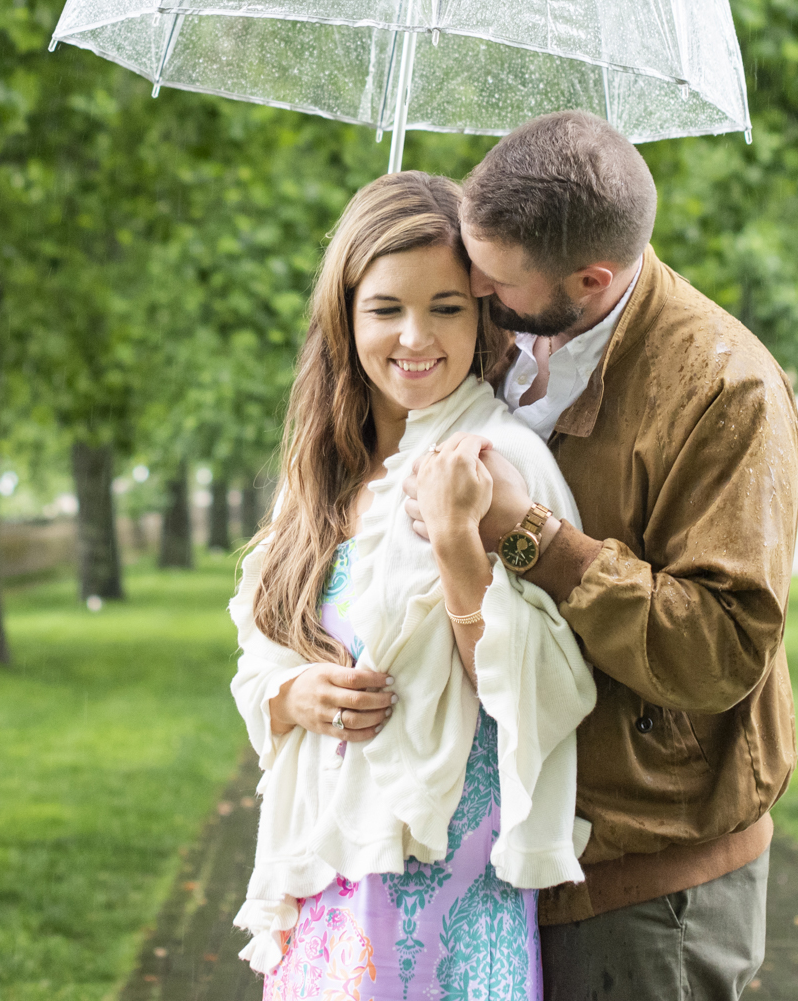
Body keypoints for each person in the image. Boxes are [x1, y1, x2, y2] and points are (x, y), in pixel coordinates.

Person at [403, 111, 798, 999]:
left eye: (494, 277)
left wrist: (531, 535)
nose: (472, 285)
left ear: (592, 279)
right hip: (511, 861)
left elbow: (721, 649)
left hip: (649, 881)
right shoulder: (507, 332)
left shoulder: (726, 389)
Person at [229, 171, 598, 999]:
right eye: (386, 307)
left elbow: (547, 690)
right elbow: (259, 650)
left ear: (484, 314)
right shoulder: (318, 480)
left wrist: (462, 547)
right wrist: (294, 697)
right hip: (327, 885)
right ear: (345, 315)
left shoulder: (504, 462)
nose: (415, 336)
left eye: (447, 307)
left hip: (448, 886)